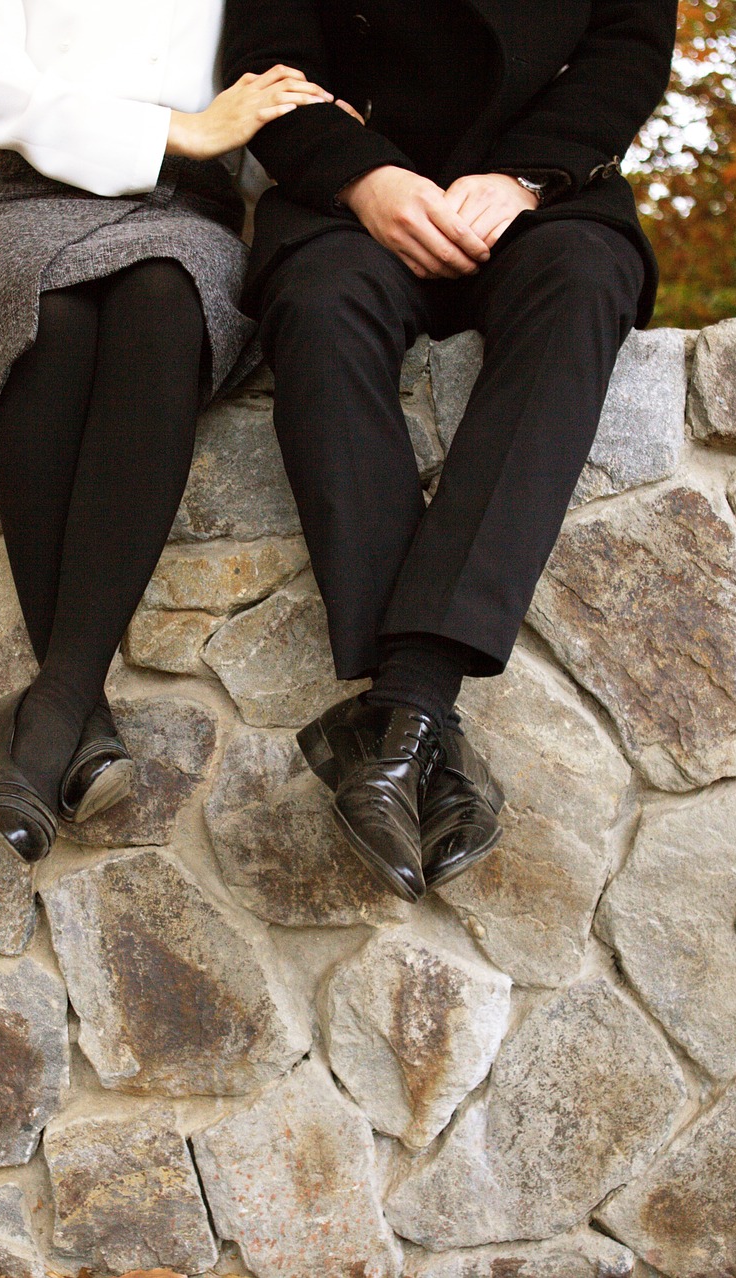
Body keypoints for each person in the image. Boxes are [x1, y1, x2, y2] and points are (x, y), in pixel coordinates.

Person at [223, 0, 678, 901]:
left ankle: (406, 708)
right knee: (317, 310)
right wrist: (365, 177)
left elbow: (627, 50)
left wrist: (524, 178)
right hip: (345, 198)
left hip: (541, 198)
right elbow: (267, 53)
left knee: (585, 284)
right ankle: (419, 728)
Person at [0, 0, 333, 863]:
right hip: (30, 205)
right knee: (45, 317)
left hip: (189, 216)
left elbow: (289, 59)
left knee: (164, 297)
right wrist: (177, 126)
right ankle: (70, 712)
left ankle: (53, 705)